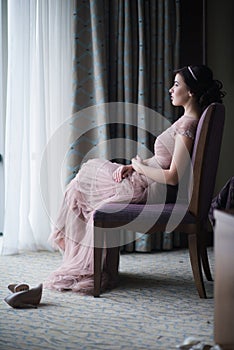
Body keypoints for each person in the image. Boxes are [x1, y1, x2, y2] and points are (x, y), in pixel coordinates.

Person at [45, 65, 225, 294]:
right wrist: (132, 166)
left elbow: (172, 176)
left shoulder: (188, 125)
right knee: (80, 183)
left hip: (148, 188)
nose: (171, 89)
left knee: (82, 181)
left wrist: (139, 165)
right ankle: (93, 266)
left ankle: (90, 268)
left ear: (191, 92)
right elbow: (164, 161)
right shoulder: (189, 120)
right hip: (144, 179)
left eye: (177, 85)